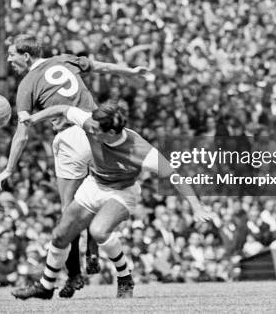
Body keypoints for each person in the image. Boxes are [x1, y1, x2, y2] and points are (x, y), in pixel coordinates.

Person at [0, 35, 148, 297]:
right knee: (96, 192)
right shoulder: (64, 60)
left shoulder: (26, 85)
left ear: (27, 56)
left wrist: (9, 169)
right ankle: (93, 251)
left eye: (12, 54)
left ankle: (73, 275)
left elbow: (22, 134)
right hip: (99, 133)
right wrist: (130, 71)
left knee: (70, 212)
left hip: (72, 138)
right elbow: (103, 67)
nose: (9, 60)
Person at [11, 103, 215, 300]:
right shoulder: (92, 124)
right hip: (94, 184)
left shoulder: (140, 150)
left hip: (122, 191)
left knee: (99, 230)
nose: (91, 131)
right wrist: (33, 119)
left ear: (111, 133)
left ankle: (125, 278)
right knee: (59, 236)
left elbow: (174, 176)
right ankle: (46, 287)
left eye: (97, 130)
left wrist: (196, 207)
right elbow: (63, 109)